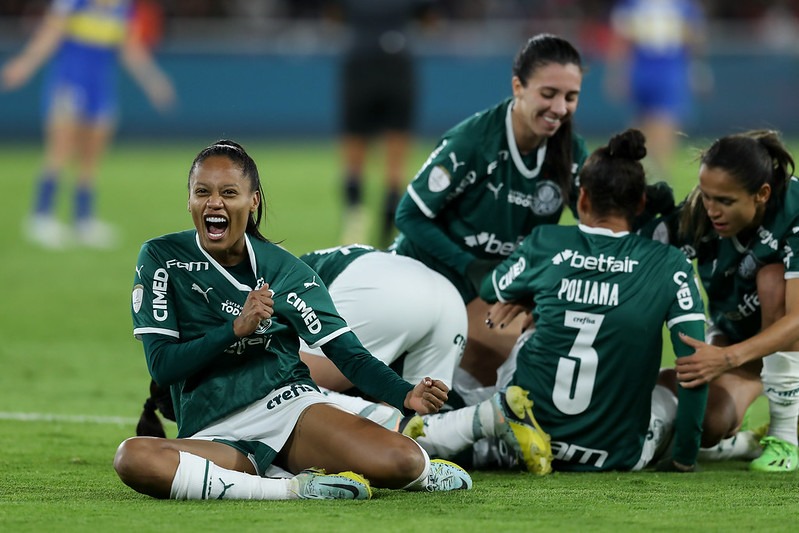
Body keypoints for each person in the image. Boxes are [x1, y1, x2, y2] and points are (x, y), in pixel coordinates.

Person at [114, 140, 475, 501]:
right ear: (190, 200)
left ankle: (296, 472)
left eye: (229, 192)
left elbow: (348, 354)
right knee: (132, 458)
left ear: (252, 201)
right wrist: (233, 330)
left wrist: (404, 393)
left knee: (405, 462)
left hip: (287, 408)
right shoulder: (162, 258)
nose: (214, 203)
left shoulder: (286, 271)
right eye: (202, 192)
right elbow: (162, 366)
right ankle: (291, 487)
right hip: (213, 431)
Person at [406, 129, 709, 473]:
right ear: (641, 204)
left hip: (527, 435)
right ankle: (729, 445)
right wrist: (685, 456)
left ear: (581, 200)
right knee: (667, 386)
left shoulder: (547, 242)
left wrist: (536, 297)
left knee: (468, 373)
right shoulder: (671, 264)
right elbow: (695, 363)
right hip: (617, 456)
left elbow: (491, 289)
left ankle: (471, 422)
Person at [390, 33, 589, 389]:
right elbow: (409, 214)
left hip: (489, 290)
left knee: (549, 351)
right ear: (518, 86)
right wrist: (470, 266)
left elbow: (597, 221)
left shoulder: (570, 150)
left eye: (570, 97)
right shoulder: (474, 142)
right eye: (549, 94)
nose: (559, 108)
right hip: (425, 276)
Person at [136, 242, 467, 436]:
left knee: (281, 389)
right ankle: (491, 420)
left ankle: (479, 423)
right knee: (413, 428)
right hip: (447, 297)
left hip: (384, 297)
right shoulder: (260, 279)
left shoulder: (250, 308)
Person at [643, 129, 799, 472]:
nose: (712, 209)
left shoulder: (796, 211)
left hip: (782, 336)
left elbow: (798, 318)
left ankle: (786, 436)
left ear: (762, 194)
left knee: (772, 279)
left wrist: (727, 358)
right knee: (707, 423)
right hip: (737, 340)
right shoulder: (698, 214)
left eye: (725, 201)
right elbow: (630, 266)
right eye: (707, 195)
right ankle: (744, 442)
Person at [1, 0, 175, 249]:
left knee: (91, 158)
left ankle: (83, 220)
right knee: (60, 151)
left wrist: (154, 82)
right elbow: (48, 37)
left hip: (100, 90)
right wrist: (24, 65)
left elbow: (130, 50)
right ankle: (41, 216)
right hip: (69, 84)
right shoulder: (73, 4)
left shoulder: (122, 9)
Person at [330, 0, 437, 247]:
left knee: (354, 155)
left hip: (360, 63)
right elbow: (430, 22)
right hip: (397, 67)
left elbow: (333, 17)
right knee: (395, 164)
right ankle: (386, 239)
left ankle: (354, 221)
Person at [604, 0, 710, 184]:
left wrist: (617, 73)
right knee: (655, 122)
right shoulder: (678, 6)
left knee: (657, 121)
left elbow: (694, 38)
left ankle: (647, 170)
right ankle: (652, 171)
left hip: (656, 68)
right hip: (660, 69)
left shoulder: (639, 5)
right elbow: (695, 38)